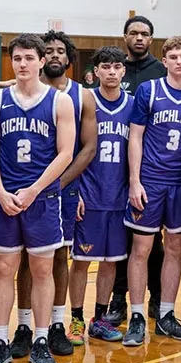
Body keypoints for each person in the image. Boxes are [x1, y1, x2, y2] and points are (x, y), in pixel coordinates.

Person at [0, 34, 75, 363]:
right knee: (4, 270)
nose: (22, 64)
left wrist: (34, 190)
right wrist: (1, 191)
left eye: (28, 58)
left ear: (39, 61)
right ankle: (1, 341)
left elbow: (66, 153)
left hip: (42, 199)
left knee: (42, 271)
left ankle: (40, 339)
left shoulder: (60, 102)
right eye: (17, 58)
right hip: (5, 199)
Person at [13, 30, 96, 359]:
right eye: (50, 50)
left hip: (62, 187)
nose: (56, 55)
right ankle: (23, 326)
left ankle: (57, 324)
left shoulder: (82, 96)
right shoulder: (20, 91)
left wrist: (58, 185)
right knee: (24, 259)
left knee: (59, 257)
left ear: (68, 57)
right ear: (41, 58)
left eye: (62, 50)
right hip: (25, 187)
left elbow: (88, 148)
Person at [122, 37, 181, 346]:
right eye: (173, 56)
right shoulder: (149, 91)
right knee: (141, 250)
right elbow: (136, 138)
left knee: (175, 249)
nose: (179, 61)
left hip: (180, 185)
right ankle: (138, 316)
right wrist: (134, 181)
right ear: (164, 61)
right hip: (151, 181)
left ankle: (166, 314)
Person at [68, 46, 133, 343]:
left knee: (111, 260)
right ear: (95, 72)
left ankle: (100, 317)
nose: (111, 72)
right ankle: (77, 319)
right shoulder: (84, 102)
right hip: (89, 194)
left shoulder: (133, 105)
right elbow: (71, 149)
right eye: (105, 66)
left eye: (116, 66)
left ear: (123, 71)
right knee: (81, 260)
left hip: (119, 196)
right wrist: (75, 190)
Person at [106, 15, 168, 327]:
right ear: (125, 36)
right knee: (121, 239)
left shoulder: (161, 71)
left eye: (145, 33)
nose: (139, 38)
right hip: (115, 170)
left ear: (151, 39)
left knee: (151, 241)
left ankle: (156, 296)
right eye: (134, 33)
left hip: (151, 171)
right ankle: (118, 298)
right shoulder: (115, 68)